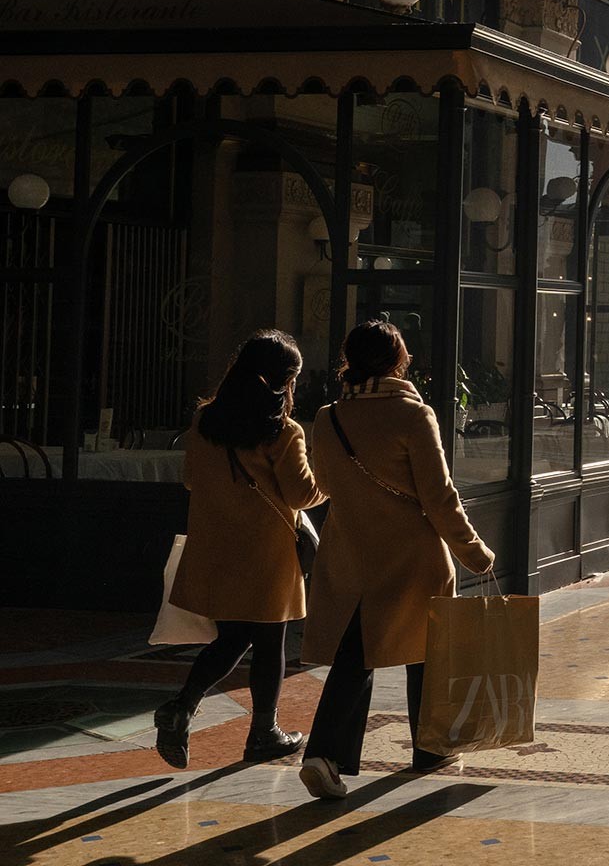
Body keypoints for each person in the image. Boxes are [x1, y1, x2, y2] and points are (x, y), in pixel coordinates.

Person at [300, 321, 496, 801]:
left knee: (354, 655)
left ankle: (323, 754)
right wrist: (475, 552)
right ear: (398, 360)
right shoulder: (414, 414)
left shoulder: (328, 418)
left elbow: (322, 485)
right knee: (426, 652)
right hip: (412, 555)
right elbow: (439, 496)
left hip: (349, 551)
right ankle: (431, 749)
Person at [153, 331, 324, 770]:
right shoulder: (283, 431)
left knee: (233, 636)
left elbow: (191, 479)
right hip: (266, 553)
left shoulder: (205, 420)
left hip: (216, 546)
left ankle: (182, 707)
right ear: (282, 380)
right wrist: (330, 481)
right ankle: (263, 732)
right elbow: (302, 494)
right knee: (270, 642)